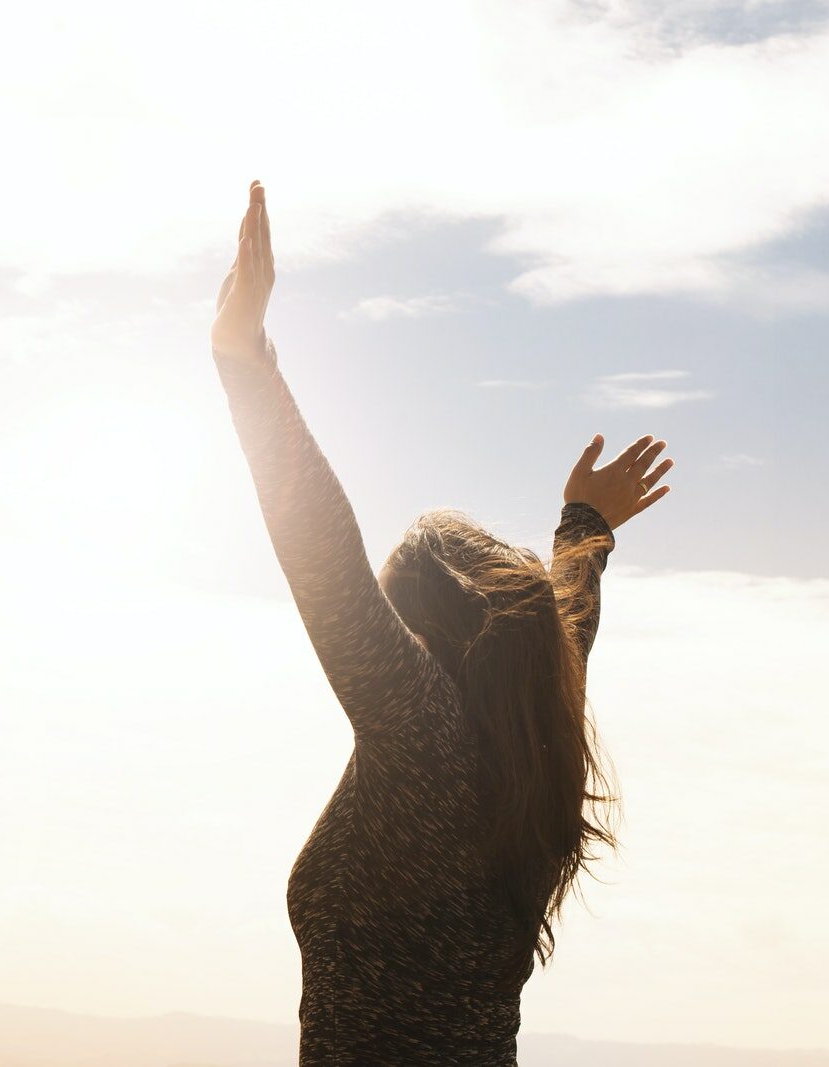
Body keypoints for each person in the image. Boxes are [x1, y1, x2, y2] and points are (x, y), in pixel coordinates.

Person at [210, 180, 673, 1064]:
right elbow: (567, 628)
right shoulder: (536, 741)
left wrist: (245, 362)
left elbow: (324, 558)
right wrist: (583, 529)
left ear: (422, 629)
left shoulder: (423, 734)